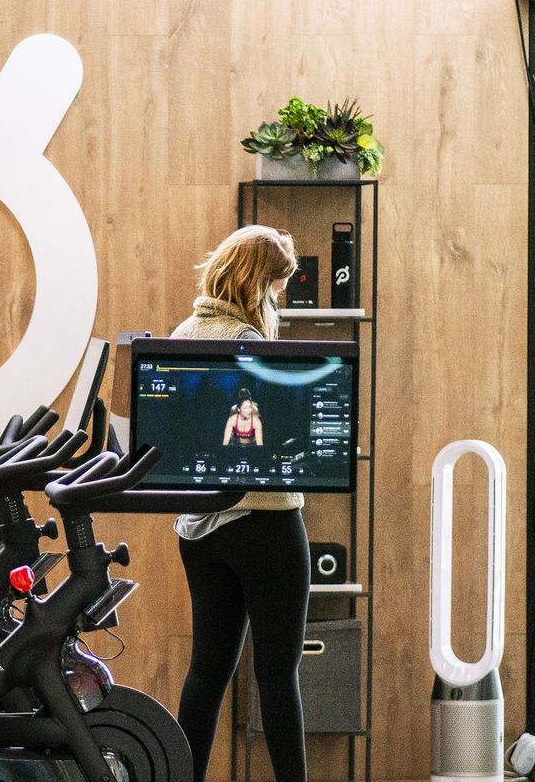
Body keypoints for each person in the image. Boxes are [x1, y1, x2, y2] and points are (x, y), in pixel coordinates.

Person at [171, 225, 310, 782]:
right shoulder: (250, 343)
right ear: (258, 286)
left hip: (200, 529)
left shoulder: (183, 334)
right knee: (277, 675)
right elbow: (277, 438)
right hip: (264, 522)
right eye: (276, 289)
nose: (278, 301)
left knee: (207, 672)